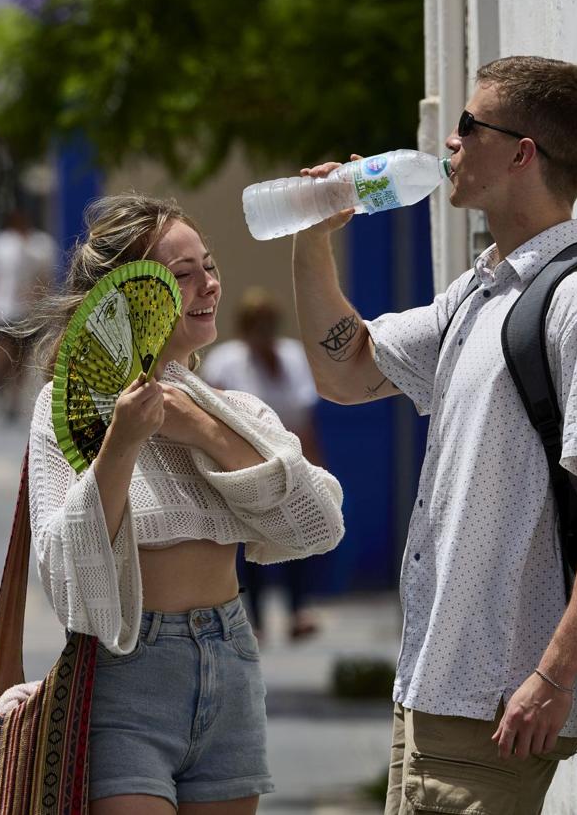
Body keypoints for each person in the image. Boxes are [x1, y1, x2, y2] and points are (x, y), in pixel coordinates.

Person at [291, 56, 577, 813]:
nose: (449, 144)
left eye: (468, 126)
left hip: (497, 696)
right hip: (434, 684)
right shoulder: (482, 289)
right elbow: (347, 370)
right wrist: (311, 238)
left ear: (522, 151)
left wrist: (552, 675)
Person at [20, 194, 346, 814]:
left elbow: (318, 524)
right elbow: (69, 581)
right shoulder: (69, 415)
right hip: (126, 676)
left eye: (210, 265)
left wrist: (202, 430)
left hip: (231, 661)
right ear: (128, 297)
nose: (209, 285)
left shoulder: (233, 408)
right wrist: (119, 446)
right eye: (182, 274)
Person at [200, 287, 324, 642]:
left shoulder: (294, 357)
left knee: (298, 530)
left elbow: (304, 418)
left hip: (287, 460)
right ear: (244, 328)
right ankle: (254, 619)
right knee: (246, 540)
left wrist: (314, 464)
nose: (263, 332)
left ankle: (298, 610)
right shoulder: (225, 360)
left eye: (268, 324)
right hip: (239, 461)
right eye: (256, 325)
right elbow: (210, 413)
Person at [0, 208, 56, 421]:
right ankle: (0, 388)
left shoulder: (40, 245)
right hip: (0, 309)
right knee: (2, 354)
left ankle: (13, 399)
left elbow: (44, 278)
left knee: (21, 359)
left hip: (26, 312)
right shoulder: (1, 244)